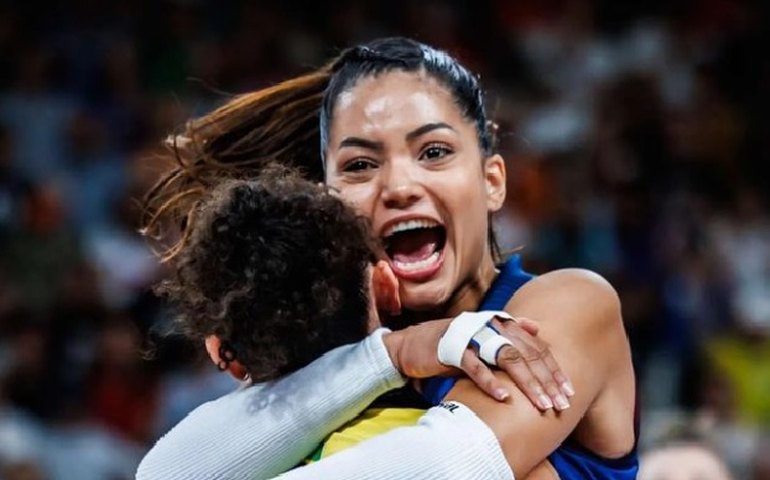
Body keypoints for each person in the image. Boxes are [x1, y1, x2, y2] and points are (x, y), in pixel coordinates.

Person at [138, 37, 637, 479]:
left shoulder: (570, 304)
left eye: (434, 152)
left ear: (492, 181)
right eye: (360, 164)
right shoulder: (329, 353)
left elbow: (448, 464)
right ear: (328, 200)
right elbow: (164, 473)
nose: (399, 187)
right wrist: (390, 356)